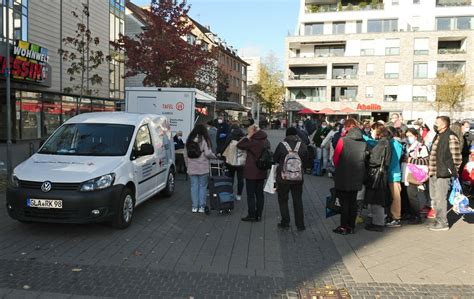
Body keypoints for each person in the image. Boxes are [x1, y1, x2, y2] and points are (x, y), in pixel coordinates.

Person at [332, 119, 367, 235]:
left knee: (344, 203)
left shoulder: (343, 140)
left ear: (347, 128)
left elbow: (335, 158)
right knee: (353, 202)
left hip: (343, 175)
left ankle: (343, 227)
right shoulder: (363, 141)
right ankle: (351, 226)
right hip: (357, 175)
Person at [427, 116, 462, 231]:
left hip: (443, 173)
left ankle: (443, 223)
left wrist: (451, 171)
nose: (435, 124)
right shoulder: (438, 136)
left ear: (444, 125)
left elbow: (457, 158)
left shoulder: (450, 137)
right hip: (433, 172)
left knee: (440, 198)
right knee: (434, 198)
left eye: (437, 123)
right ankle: (438, 220)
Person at [273, 127, 309, 231]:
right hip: (298, 178)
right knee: (298, 200)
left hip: (283, 178)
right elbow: (306, 160)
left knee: (283, 200)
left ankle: (285, 222)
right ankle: (300, 225)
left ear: (286, 135)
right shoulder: (302, 145)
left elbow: (275, 159)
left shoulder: (281, 145)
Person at [237, 125, 270, 222]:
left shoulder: (252, 141)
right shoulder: (265, 140)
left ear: (253, 131)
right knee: (260, 194)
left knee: (251, 195)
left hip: (251, 171)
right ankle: (259, 215)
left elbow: (239, 145)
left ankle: (251, 215)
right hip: (262, 171)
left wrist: (248, 136)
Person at [364, 124, 392, 232]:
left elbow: (375, 160)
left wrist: (368, 156)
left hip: (377, 174)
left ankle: (378, 223)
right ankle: (377, 221)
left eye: (372, 131)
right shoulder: (385, 142)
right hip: (381, 173)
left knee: (376, 199)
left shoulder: (382, 143)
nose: (371, 132)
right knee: (377, 199)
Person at [184, 124, 217, 213]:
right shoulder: (205, 140)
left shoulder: (189, 139)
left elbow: (185, 154)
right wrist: (214, 156)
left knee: (194, 187)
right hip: (203, 167)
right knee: (203, 187)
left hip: (192, 167)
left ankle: (194, 207)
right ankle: (202, 206)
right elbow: (207, 153)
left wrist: (188, 166)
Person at [403, 128, 430, 224]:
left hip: (416, 173)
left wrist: (411, 160)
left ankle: (417, 216)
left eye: (410, 135)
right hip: (408, 172)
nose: (408, 138)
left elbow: (426, 160)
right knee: (409, 195)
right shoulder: (407, 146)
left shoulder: (421, 146)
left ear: (416, 136)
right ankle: (412, 214)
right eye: (407, 136)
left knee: (412, 195)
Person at [222, 122, 246, 201]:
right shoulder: (243, 137)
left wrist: (222, 154)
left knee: (230, 177)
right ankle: (239, 194)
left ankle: (230, 192)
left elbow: (225, 146)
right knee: (240, 179)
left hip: (231, 161)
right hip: (241, 161)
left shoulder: (230, 136)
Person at [385, 126, 404, 228]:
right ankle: (392, 216)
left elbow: (394, 161)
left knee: (395, 197)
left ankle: (396, 218)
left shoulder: (394, 143)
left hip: (393, 174)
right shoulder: (394, 143)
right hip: (393, 173)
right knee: (393, 197)